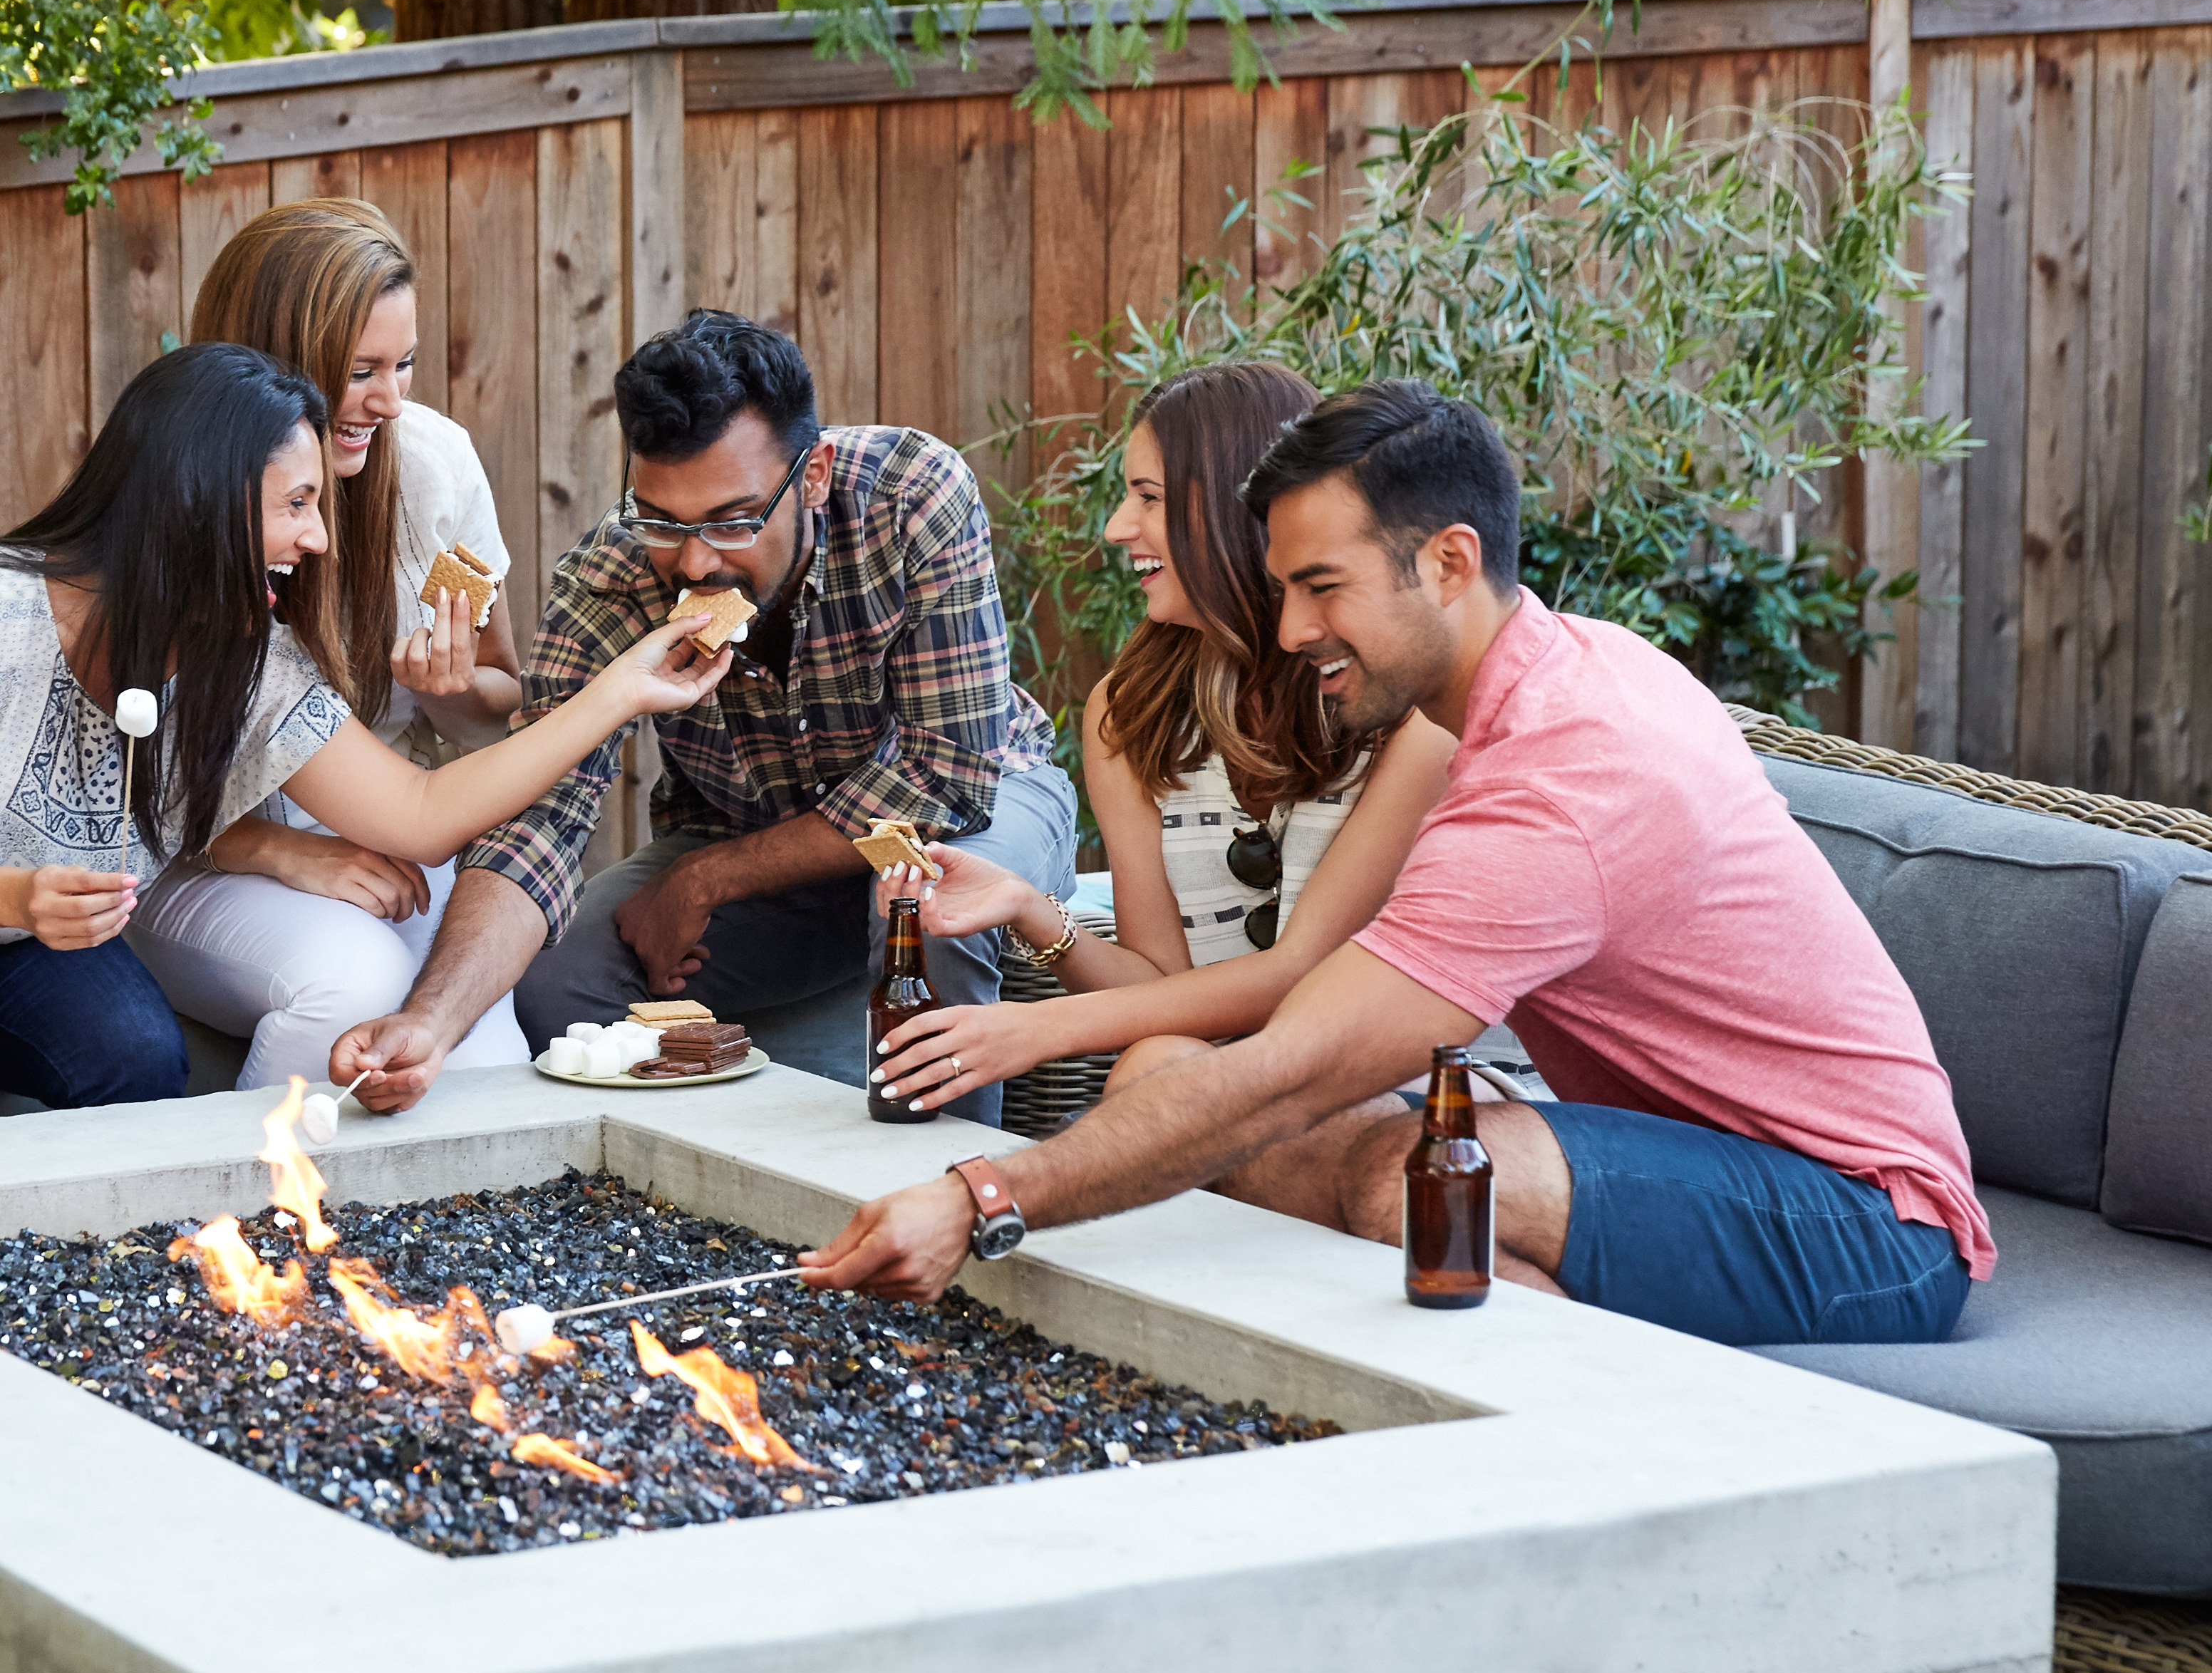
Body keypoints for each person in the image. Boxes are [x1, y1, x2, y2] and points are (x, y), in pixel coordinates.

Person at [800, 378, 1993, 1350]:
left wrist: (979, 1198)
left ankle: (1569, 1499)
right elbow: (1282, 1049)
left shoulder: (1568, 770)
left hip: (1870, 1223)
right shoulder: (1541, 680)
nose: (1291, 631)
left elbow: (1290, 1067)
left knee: (1416, 1182)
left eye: (1324, 588)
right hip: (1704, 1161)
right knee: (1214, 1099)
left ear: (1451, 563)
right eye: (1281, 591)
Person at [0, 344, 725, 1131]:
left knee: (136, 1054)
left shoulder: (249, 658)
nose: (318, 537)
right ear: (197, 500)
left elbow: (420, 812)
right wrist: (15, 897)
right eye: (298, 505)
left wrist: (615, 695)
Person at [331, 309, 1079, 1126]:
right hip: (744, 833)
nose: (695, 562)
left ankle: (955, 1192)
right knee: (558, 980)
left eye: (733, 519)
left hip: (975, 808)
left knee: (924, 900)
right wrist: (430, 1024)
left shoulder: (913, 494)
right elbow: (538, 818)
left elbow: (947, 777)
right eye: (662, 520)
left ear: (816, 474)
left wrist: (706, 877)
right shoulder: (614, 573)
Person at [859, 361, 1454, 1117]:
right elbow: (1161, 993)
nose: (1116, 527)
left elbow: (1302, 975)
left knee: (1156, 1077)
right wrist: (1025, 905)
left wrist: (1037, 1027)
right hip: (1204, 1089)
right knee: (1157, 1067)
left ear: (1247, 509)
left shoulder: (1401, 701)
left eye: (1148, 497)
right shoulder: (1131, 716)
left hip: (1377, 1087)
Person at [126, 200, 533, 1087]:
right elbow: (114, 774)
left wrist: (445, 689)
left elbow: (504, 701)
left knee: (488, 1058)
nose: (390, 400)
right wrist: (273, 849)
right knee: (359, 986)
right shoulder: (176, 485)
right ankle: (240, 1214)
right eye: (361, 371)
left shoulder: (431, 465)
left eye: (406, 364)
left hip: (386, 824)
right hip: (187, 842)